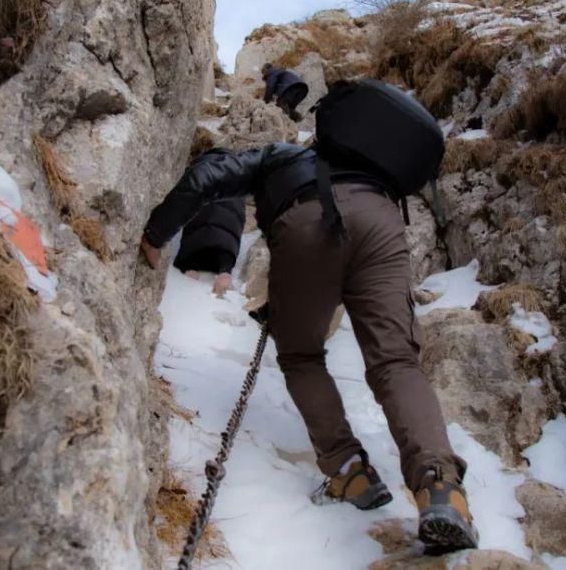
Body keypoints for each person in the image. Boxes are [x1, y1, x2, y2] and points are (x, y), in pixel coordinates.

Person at [140, 141, 478, 555]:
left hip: (308, 222)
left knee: (301, 356)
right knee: (396, 361)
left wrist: (156, 234)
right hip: (380, 221)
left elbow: (207, 177)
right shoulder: (364, 159)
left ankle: (348, 472)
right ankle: (442, 488)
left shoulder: (277, 157)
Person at [172, 149, 246, 295]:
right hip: (226, 243)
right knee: (226, 244)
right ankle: (225, 270)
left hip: (198, 237)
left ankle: (189, 266)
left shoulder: (200, 168)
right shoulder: (240, 174)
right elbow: (239, 215)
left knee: (198, 227)